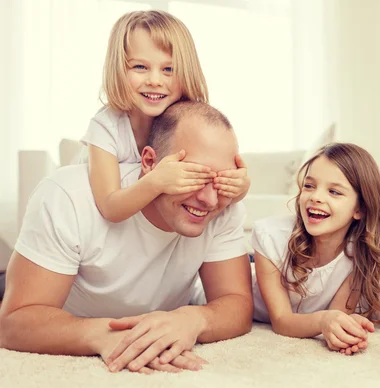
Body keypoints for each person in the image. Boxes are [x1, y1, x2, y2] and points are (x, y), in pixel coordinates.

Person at [0, 101, 253, 374]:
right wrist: (100, 334)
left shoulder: (224, 208)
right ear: (149, 162)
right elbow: (13, 323)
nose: (209, 198)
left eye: (222, 182)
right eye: (193, 176)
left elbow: (237, 303)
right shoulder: (67, 196)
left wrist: (194, 319)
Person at [82, 10, 249, 223]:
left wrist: (240, 188)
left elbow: (215, 188)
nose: (155, 80)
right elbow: (110, 207)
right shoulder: (106, 126)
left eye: (169, 69)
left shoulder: (189, 123)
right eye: (140, 67)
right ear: (119, 70)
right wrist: (156, 181)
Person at [253, 143, 380, 355]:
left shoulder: (360, 254)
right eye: (309, 186)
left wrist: (345, 328)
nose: (316, 197)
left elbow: (335, 315)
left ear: (360, 209)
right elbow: (282, 321)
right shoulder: (270, 236)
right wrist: (325, 321)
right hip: (246, 302)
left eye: (334, 191)